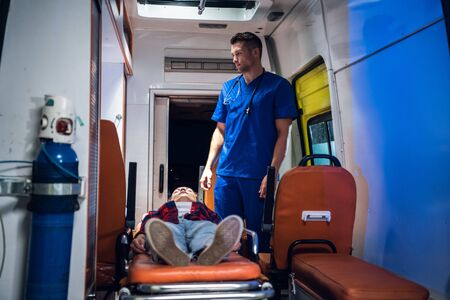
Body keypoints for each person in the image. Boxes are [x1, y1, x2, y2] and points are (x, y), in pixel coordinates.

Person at [199, 32, 297, 252]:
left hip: (257, 176)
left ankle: (258, 280)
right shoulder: (229, 88)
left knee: (258, 237)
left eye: (239, 54)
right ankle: (225, 280)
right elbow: (220, 131)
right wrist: (208, 168)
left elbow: (283, 135)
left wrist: (271, 174)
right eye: (233, 54)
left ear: (255, 52)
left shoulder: (278, 87)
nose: (234, 59)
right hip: (226, 175)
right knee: (225, 234)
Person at [130, 186, 243, 266]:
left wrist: (228, 240)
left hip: (199, 224)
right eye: (178, 190)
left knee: (207, 229)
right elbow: (149, 225)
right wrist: (141, 237)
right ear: (171, 198)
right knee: (165, 231)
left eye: (188, 190)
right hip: (172, 225)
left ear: (195, 196)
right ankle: (173, 253)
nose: (183, 190)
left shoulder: (202, 208)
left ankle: (210, 249)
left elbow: (217, 225)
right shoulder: (163, 208)